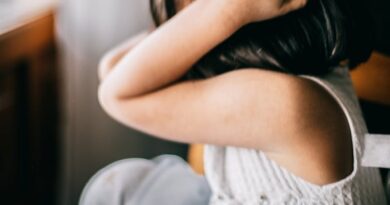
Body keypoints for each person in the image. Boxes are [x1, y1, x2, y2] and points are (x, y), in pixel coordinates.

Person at [81, 0, 388, 204]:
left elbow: (117, 94)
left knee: (113, 192)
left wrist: (228, 11)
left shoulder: (282, 103)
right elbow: (113, 70)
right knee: (121, 184)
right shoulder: (299, 75)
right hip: (229, 193)